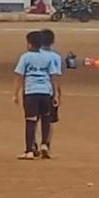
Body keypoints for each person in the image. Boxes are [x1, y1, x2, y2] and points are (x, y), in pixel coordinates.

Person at [14, 28, 60, 159]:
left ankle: (29, 150)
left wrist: (16, 93)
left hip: (31, 92)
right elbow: (53, 76)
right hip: (46, 92)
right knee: (46, 118)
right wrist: (55, 94)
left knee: (31, 120)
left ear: (29, 44)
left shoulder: (26, 57)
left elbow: (20, 76)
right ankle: (44, 144)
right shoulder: (47, 58)